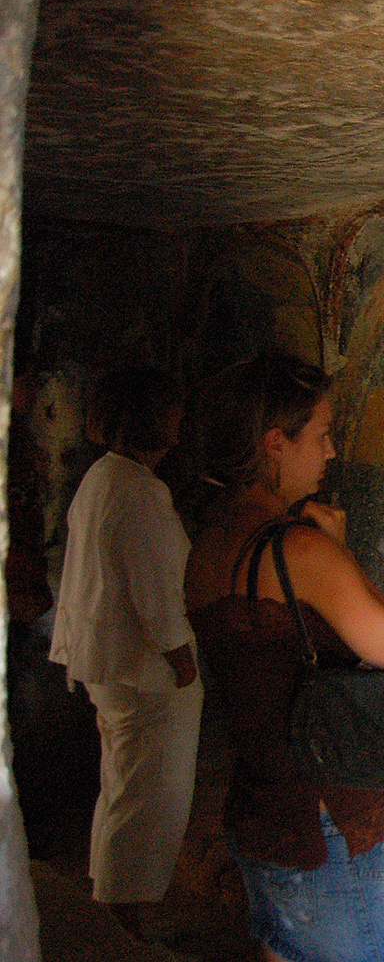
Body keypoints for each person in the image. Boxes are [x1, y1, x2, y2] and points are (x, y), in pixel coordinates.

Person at [184, 354, 384, 962]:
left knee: (284, 946)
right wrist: (338, 553)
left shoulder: (209, 543)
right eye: (319, 435)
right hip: (319, 812)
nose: (331, 452)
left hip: (259, 799)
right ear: (275, 445)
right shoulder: (296, 548)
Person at [49, 366, 202, 937]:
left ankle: (113, 903)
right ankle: (126, 917)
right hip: (143, 672)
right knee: (147, 798)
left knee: (125, 788)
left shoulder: (103, 478)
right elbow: (154, 586)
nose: (180, 424)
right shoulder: (138, 490)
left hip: (109, 665)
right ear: (150, 419)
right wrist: (180, 655)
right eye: (173, 413)